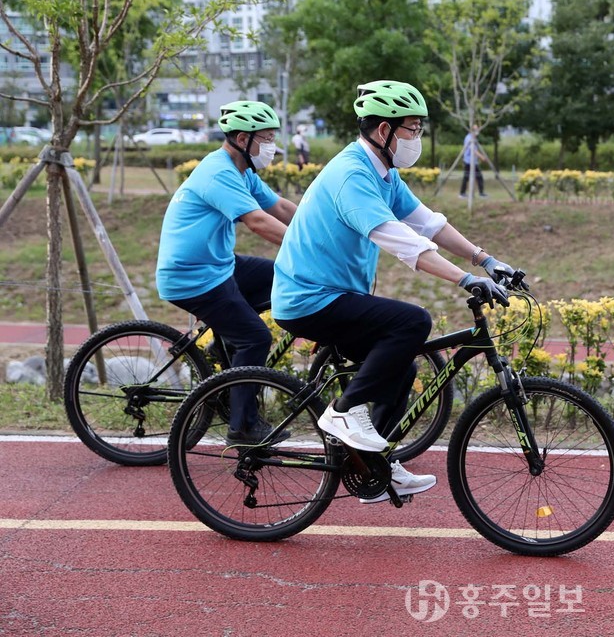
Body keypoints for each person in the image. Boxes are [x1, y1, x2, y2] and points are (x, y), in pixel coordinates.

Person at [271, 80, 523, 503]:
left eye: (419, 129)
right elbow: (406, 243)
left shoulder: (381, 172)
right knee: (413, 321)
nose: (416, 138)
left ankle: (376, 467)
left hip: (335, 295)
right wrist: (465, 279)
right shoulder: (352, 174)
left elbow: (428, 223)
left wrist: (486, 259)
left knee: (402, 367)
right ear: (383, 130)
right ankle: (344, 412)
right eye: (411, 128)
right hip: (308, 299)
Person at [156, 100, 298, 444]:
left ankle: (223, 355)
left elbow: (278, 207)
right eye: (265, 138)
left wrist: (323, 231)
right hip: (193, 276)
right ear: (240, 138)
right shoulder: (218, 172)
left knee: (283, 276)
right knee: (255, 337)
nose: (271, 146)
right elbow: (258, 221)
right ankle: (243, 426)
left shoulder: (242, 172)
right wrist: (305, 249)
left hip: (219, 265)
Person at [459, 124, 488, 198]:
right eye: (475, 129)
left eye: (477, 129)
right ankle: (462, 194)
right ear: (471, 130)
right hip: (468, 161)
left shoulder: (474, 138)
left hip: (474, 162)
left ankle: (481, 193)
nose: (477, 131)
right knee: (467, 177)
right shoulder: (469, 138)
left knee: (478, 177)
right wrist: (482, 157)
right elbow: (473, 150)